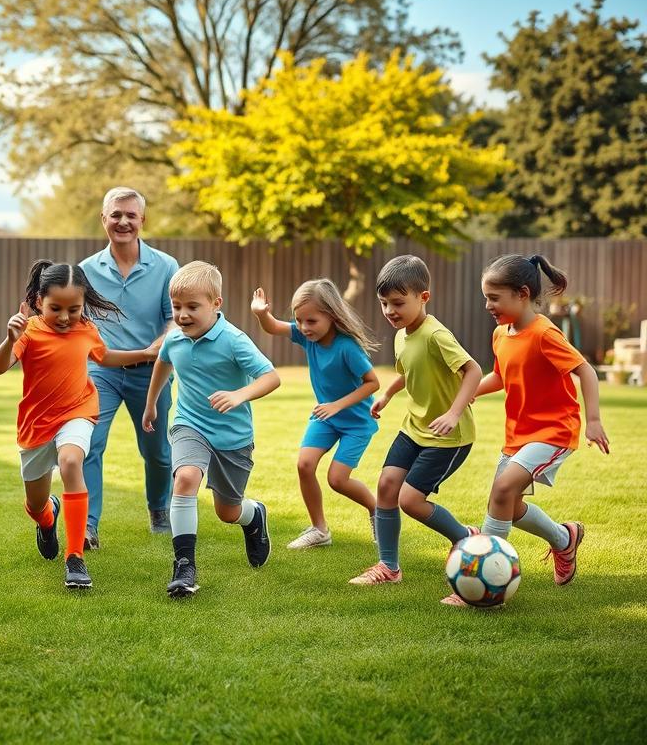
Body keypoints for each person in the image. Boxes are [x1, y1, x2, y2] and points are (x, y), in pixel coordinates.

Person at [0, 260, 159, 589]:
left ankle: (75, 557)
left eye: (74, 308)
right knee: (35, 504)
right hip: (36, 424)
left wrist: (147, 353)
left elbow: (104, 356)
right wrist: (10, 339)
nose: (66, 317)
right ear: (39, 302)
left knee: (71, 462)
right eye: (56, 308)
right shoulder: (30, 331)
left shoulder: (85, 329)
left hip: (78, 411)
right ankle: (47, 517)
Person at [467, 254, 609, 601]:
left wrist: (592, 421)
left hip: (554, 430)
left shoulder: (544, 332)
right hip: (518, 434)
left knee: (502, 491)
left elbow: (585, 370)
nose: (488, 305)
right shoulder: (501, 334)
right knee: (510, 507)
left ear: (523, 293)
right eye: (486, 297)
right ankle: (565, 539)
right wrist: (465, 395)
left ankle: (487, 572)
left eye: (494, 298)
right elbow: (500, 377)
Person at [142, 261, 281, 597]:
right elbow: (163, 361)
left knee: (227, 511)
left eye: (193, 307)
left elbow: (270, 377)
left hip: (233, 438)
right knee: (186, 478)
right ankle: (184, 566)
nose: (183, 315)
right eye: (177, 307)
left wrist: (239, 394)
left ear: (216, 304)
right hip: (189, 424)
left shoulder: (234, 340)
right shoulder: (175, 339)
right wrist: (151, 404)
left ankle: (253, 516)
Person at [349, 255, 482, 587]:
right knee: (386, 487)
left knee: (410, 501)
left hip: (449, 437)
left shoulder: (436, 335)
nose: (390, 311)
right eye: (384, 304)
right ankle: (389, 567)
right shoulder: (401, 335)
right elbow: (407, 372)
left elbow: (473, 371)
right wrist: (388, 395)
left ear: (424, 297)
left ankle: (464, 537)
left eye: (398, 303)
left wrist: (453, 413)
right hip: (414, 428)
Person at [80, 187, 179, 549]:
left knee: (156, 451)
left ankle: (159, 509)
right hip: (101, 372)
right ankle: (88, 525)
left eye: (130, 215)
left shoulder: (167, 267)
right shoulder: (85, 271)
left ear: (142, 221)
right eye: (115, 215)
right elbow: (78, 324)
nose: (123, 221)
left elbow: (176, 319)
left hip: (152, 372)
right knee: (89, 444)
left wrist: (161, 342)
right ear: (103, 219)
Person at [252, 279, 380, 549]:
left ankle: (377, 510)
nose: (303, 327)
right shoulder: (306, 336)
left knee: (337, 479)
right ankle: (320, 530)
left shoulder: (347, 347)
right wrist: (261, 313)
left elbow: (372, 383)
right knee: (304, 465)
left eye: (311, 321)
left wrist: (336, 405)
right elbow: (273, 326)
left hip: (356, 423)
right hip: (326, 418)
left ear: (331, 317)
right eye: (299, 320)